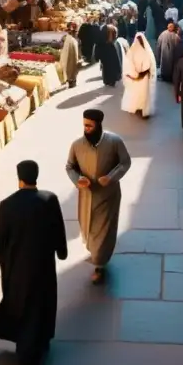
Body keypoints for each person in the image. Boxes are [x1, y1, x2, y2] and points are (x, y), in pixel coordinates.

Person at [0, 160, 67, 365]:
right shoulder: (49, 200)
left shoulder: (7, 204)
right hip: (43, 266)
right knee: (43, 305)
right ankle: (42, 341)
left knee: (23, 309)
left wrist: (5, 259)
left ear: (19, 178)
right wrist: (61, 252)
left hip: (18, 269)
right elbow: (58, 229)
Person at [66, 109, 132, 284]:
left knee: (103, 232)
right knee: (89, 230)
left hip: (107, 196)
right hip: (86, 197)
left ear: (98, 125)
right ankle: (96, 254)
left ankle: (99, 265)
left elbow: (125, 162)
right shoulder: (77, 145)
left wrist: (110, 177)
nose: (86, 129)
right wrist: (78, 179)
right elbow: (70, 166)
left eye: (89, 126)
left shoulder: (114, 142)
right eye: (84, 125)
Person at [121, 33, 157, 117]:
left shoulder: (131, 51)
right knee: (143, 94)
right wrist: (141, 74)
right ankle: (142, 110)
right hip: (143, 77)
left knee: (135, 94)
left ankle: (136, 107)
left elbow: (127, 65)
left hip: (134, 78)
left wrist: (133, 75)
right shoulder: (146, 52)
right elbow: (150, 66)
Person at [60, 24, 81, 89]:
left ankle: (71, 81)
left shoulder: (71, 38)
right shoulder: (68, 38)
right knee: (71, 68)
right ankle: (71, 81)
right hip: (71, 55)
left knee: (71, 68)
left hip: (73, 56)